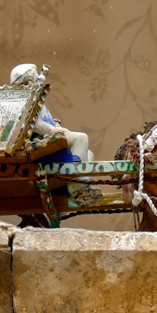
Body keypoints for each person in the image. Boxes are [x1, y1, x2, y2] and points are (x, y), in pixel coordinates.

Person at [10, 63, 102, 207]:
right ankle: (77, 187)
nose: (39, 81)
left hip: (47, 142)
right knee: (81, 138)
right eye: (35, 78)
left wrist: (58, 128)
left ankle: (81, 189)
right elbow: (33, 124)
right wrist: (54, 131)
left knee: (88, 154)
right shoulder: (24, 100)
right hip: (38, 148)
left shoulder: (35, 99)